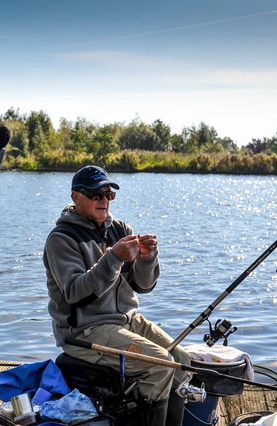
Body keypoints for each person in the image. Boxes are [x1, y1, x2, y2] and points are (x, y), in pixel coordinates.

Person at [43, 165, 192, 426]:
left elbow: (143, 286)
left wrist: (148, 258)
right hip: (85, 330)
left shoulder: (120, 229)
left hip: (125, 319)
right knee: (160, 365)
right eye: (96, 195)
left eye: (109, 195)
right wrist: (112, 257)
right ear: (76, 197)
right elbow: (76, 294)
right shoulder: (61, 238)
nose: (104, 200)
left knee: (181, 361)